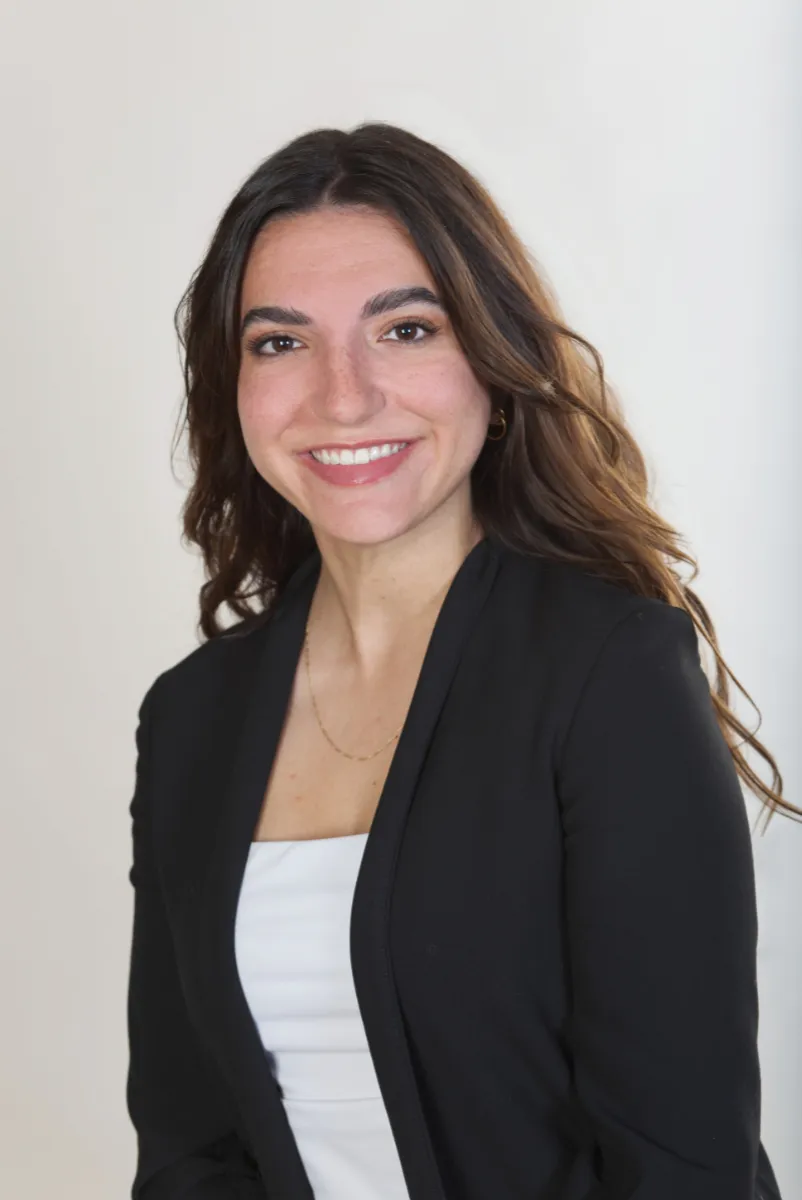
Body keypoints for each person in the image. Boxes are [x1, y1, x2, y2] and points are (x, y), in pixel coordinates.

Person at [125, 122, 795, 1200]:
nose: (342, 397)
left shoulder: (605, 671)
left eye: (405, 329)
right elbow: (188, 1145)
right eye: (279, 342)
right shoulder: (193, 717)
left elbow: (681, 1164)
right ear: (231, 383)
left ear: (491, 355)